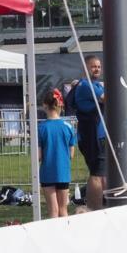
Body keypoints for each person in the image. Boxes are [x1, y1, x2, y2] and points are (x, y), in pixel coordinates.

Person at [73, 55, 106, 211]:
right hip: (91, 137)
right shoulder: (86, 85)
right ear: (85, 67)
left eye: (99, 66)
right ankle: (95, 208)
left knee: (102, 172)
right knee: (97, 173)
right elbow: (108, 98)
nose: (97, 69)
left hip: (98, 135)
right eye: (93, 66)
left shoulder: (95, 84)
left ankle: (102, 205)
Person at [38, 88, 76, 218]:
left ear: (45, 105)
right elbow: (71, 154)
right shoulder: (68, 126)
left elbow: (39, 156)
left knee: (53, 210)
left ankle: (53, 237)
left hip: (47, 172)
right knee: (63, 209)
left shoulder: (41, 128)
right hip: (63, 172)